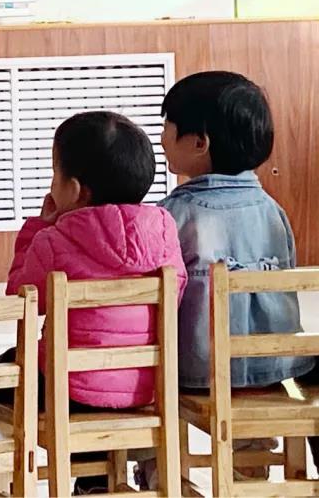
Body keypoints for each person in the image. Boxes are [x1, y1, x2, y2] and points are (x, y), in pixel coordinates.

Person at [0, 111, 188, 496]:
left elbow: (21, 298)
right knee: (78, 386)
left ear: (75, 189)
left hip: (68, 392)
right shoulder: (165, 231)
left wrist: (38, 227)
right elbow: (177, 291)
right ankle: (95, 482)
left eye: (54, 175)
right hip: (142, 387)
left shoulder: (55, 239)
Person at [133, 71, 313, 490]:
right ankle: (250, 463)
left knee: (138, 375)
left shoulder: (171, 215)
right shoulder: (273, 211)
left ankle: (159, 472)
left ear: (200, 143)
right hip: (271, 368)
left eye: (168, 127)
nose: (161, 138)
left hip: (195, 371)